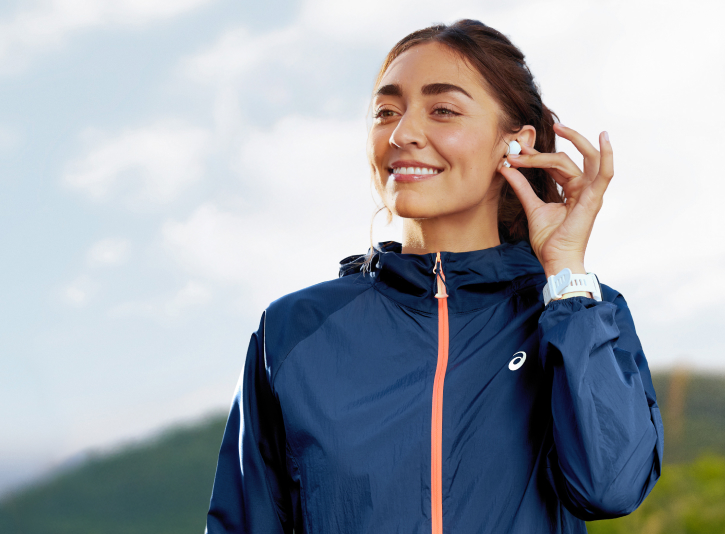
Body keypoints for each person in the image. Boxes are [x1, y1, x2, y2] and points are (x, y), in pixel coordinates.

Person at [205, 19, 663, 534]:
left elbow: (610, 487)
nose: (403, 134)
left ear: (514, 144)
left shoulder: (578, 311)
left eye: (442, 110)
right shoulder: (295, 330)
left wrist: (566, 274)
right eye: (386, 112)